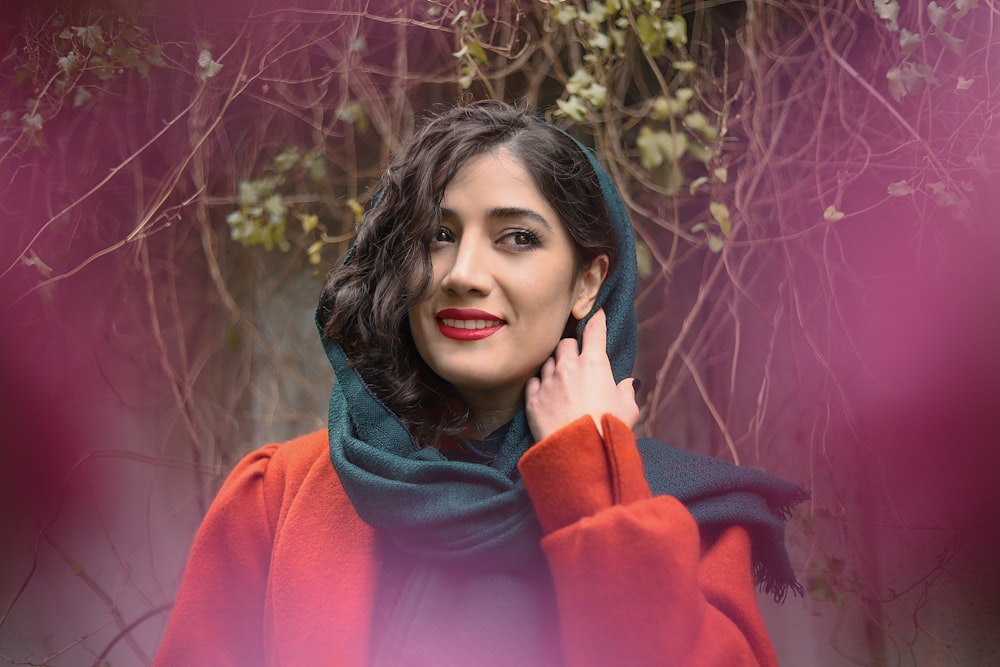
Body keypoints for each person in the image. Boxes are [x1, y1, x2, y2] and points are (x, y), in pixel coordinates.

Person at [154, 100, 806, 666]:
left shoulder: (686, 519)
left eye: (516, 237)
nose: (463, 271)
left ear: (587, 281)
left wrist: (591, 474)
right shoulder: (281, 497)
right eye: (438, 234)